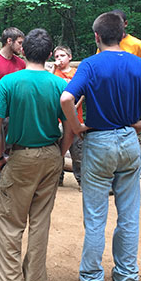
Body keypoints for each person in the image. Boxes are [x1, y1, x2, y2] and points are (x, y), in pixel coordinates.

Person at [61, 12, 141, 281]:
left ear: (97, 37)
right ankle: (126, 278)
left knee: (96, 216)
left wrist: (76, 128)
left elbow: (66, 98)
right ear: (122, 35)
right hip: (129, 140)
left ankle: (92, 279)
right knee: (128, 215)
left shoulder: (89, 65)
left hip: (98, 141)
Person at [0, 29, 73, 281]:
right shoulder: (59, 85)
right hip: (50, 155)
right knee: (40, 219)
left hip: (19, 157)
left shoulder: (9, 82)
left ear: (25, 50)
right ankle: (34, 280)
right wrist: (58, 153)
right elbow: (69, 129)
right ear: (48, 54)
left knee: (10, 221)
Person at [52, 45, 83, 188]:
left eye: (62, 56)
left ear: (69, 57)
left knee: (78, 153)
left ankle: (82, 180)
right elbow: (48, 85)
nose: (59, 59)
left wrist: (75, 106)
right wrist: (53, 67)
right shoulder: (54, 74)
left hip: (76, 119)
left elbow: (84, 92)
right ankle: (57, 179)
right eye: (57, 56)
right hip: (56, 120)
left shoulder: (76, 73)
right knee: (57, 152)